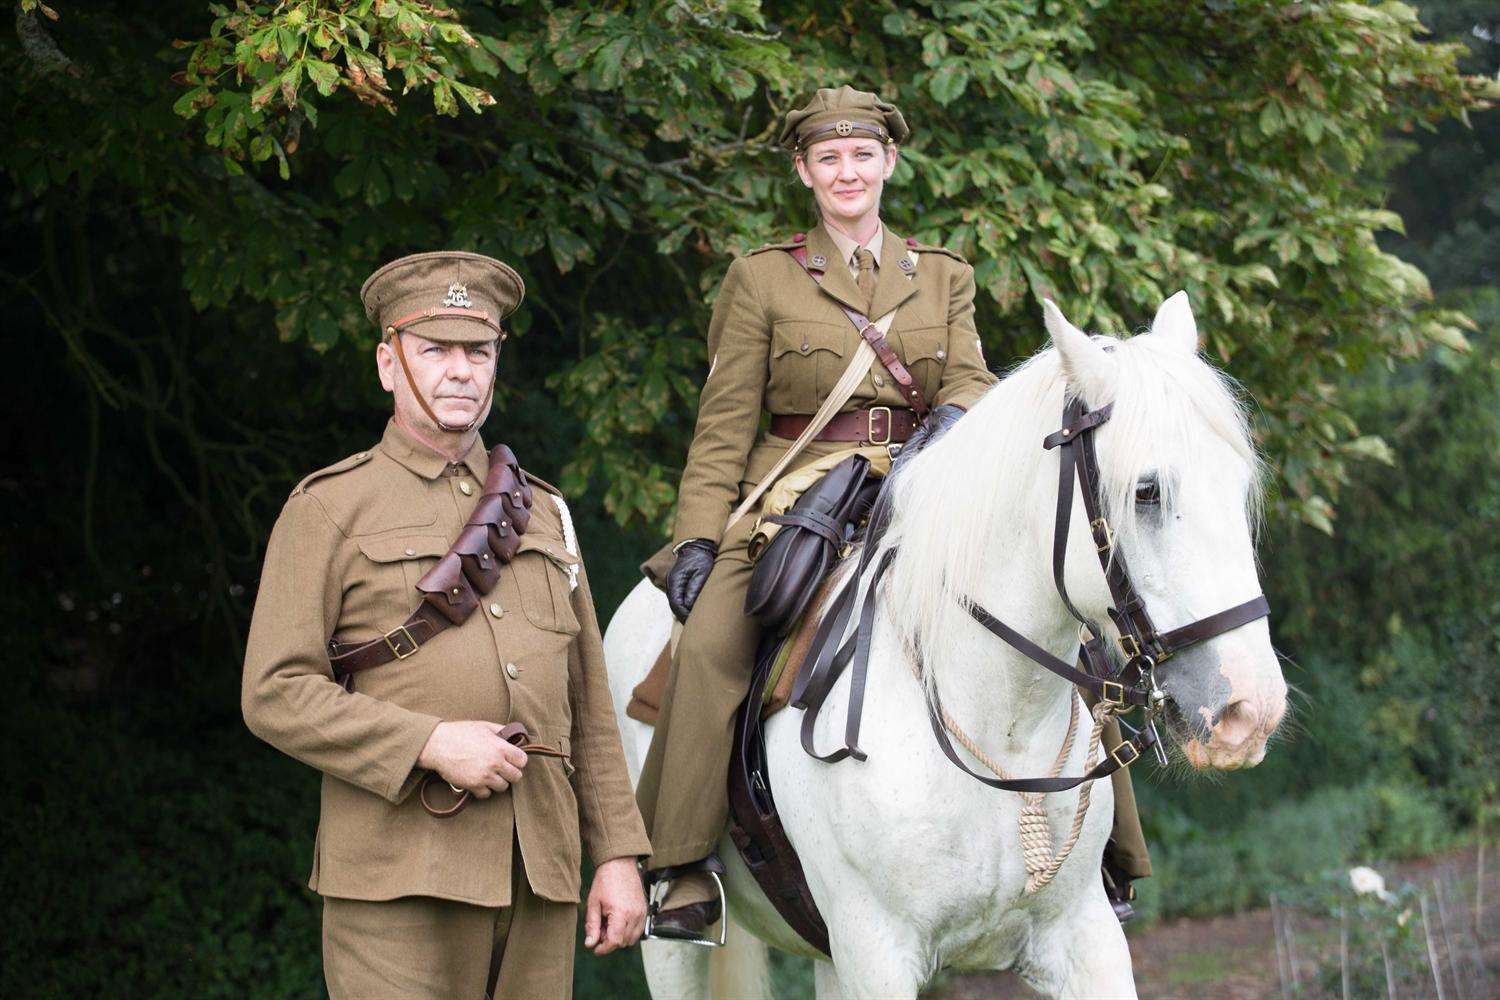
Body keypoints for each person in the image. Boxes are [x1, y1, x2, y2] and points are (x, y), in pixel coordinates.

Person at [242, 251, 651, 999]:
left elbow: (588, 704)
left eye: (479, 351)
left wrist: (618, 855)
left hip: (539, 873)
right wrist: (427, 742)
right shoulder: (330, 508)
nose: (461, 371)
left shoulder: (545, 512)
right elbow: (274, 692)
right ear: (388, 365)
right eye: (436, 351)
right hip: (401, 878)